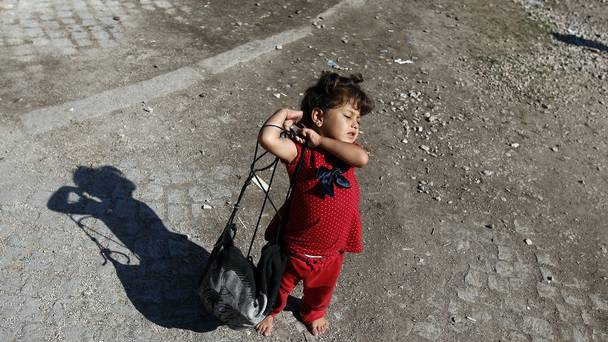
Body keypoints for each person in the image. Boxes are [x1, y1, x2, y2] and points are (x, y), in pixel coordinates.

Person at [255, 71, 374, 336]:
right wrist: (284, 112)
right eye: (347, 116)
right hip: (296, 248)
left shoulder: (346, 154)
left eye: (358, 120)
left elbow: (362, 158)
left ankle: (312, 312)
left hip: (332, 251)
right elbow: (268, 139)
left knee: (322, 289)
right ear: (319, 117)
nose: (355, 126)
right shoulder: (301, 153)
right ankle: (272, 311)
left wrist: (322, 140)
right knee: (280, 285)